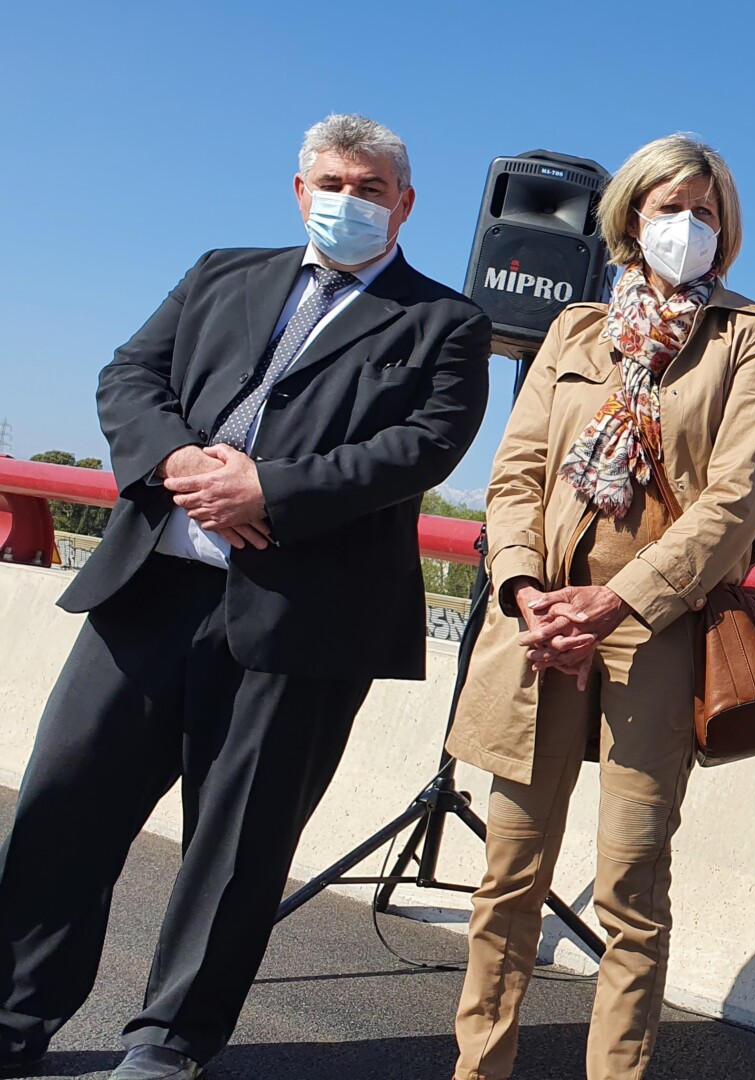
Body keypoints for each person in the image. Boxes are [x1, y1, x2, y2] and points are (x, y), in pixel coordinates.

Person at [0, 114, 490, 1080]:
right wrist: (180, 458)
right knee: (63, 807)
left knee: (237, 847)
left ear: (406, 204)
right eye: (332, 183)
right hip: (149, 592)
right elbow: (129, 373)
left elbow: (423, 446)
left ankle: (167, 1045)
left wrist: (273, 491)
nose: (349, 201)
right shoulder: (223, 271)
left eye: (371, 187)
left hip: (302, 622)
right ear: (299, 189)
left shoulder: (445, 321)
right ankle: (14, 1019)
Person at [443, 134, 755, 1080]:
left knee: (633, 889)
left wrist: (620, 599)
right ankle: (477, 1068)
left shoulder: (746, 335)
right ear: (630, 216)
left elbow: (736, 498)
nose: (688, 225)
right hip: (540, 630)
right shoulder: (576, 331)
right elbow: (515, 474)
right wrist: (523, 590)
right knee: (507, 876)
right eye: (669, 206)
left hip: (657, 632)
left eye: (707, 211)